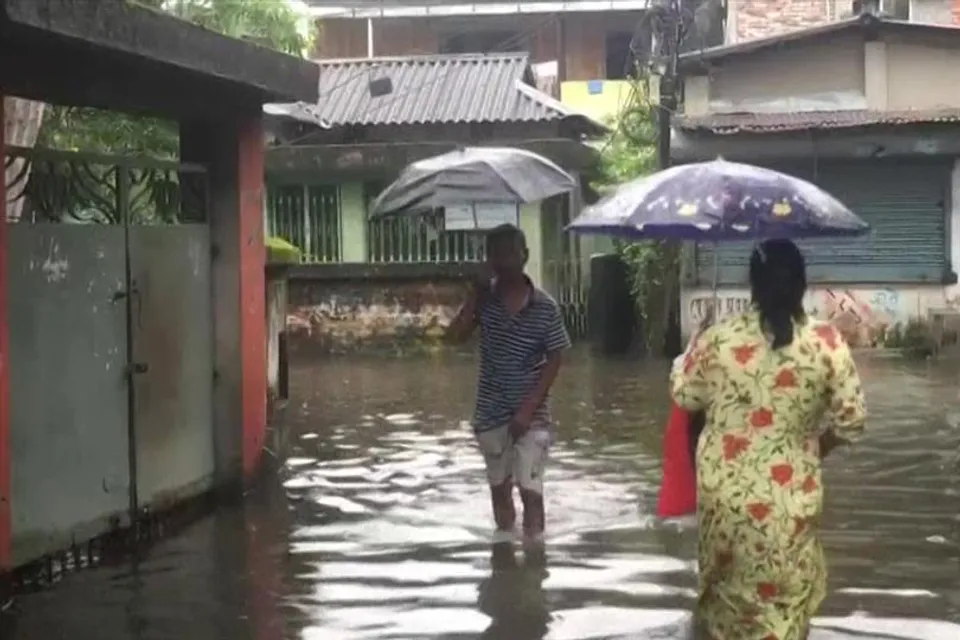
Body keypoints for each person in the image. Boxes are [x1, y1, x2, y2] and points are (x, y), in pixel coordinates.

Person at [670, 239, 867, 640]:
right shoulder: (826, 343)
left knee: (724, 602)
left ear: (752, 285)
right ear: (802, 284)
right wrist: (814, 446)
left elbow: (685, 395)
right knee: (787, 603)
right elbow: (852, 421)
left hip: (724, 497)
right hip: (791, 498)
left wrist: (689, 351)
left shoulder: (719, 340)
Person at [446, 223, 571, 538]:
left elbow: (556, 357)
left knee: (531, 491)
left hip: (533, 416)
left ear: (524, 255)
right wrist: (475, 293)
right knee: (500, 493)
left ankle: (532, 571)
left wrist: (528, 409)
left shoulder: (545, 307)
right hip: (491, 413)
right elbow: (454, 338)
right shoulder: (484, 302)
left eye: (508, 253)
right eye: (495, 254)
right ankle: (503, 567)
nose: (502, 261)